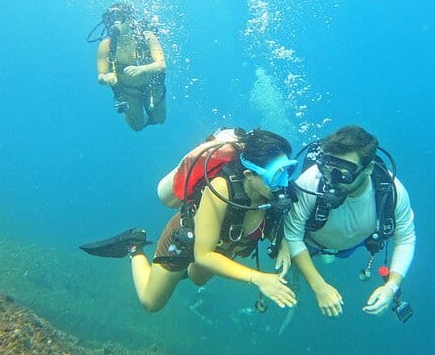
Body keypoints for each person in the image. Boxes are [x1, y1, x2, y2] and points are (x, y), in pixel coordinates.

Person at [80, 129, 298, 313]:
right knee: (151, 302)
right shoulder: (222, 189)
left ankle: (177, 272)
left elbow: (276, 224)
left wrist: (283, 244)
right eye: (276, 175)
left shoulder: (275, 192)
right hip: (185, 240)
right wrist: (258, 278)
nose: (283, 182)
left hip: (219, 247)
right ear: (249, 175)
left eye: (287, 171)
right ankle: (134, 244)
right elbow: (204, 256)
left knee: (198, 278)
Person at [284, 125, 416, 318]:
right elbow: (292, 235)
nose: (332, 179)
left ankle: (328, 257)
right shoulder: (310, 182)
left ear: (368, 169)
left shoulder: (391, 192)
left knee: (341, 254)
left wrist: (391, 286)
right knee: (293, 262)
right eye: (328, 167)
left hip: (356, 242)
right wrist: (318, 285)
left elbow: (405, 239)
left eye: (344, 173)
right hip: (312, 241)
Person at [90, 3, 167, 131]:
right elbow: (100, 77)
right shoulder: (105, 46)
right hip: (127, 91)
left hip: (152, 87)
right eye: (110, 20)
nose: (115, 23)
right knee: (137, 127)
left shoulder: (147, 37)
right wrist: (106, 77)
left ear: (130, 20)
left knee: (160, 119)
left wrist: (142, 69)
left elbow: (161, 64)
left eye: (119, 18)